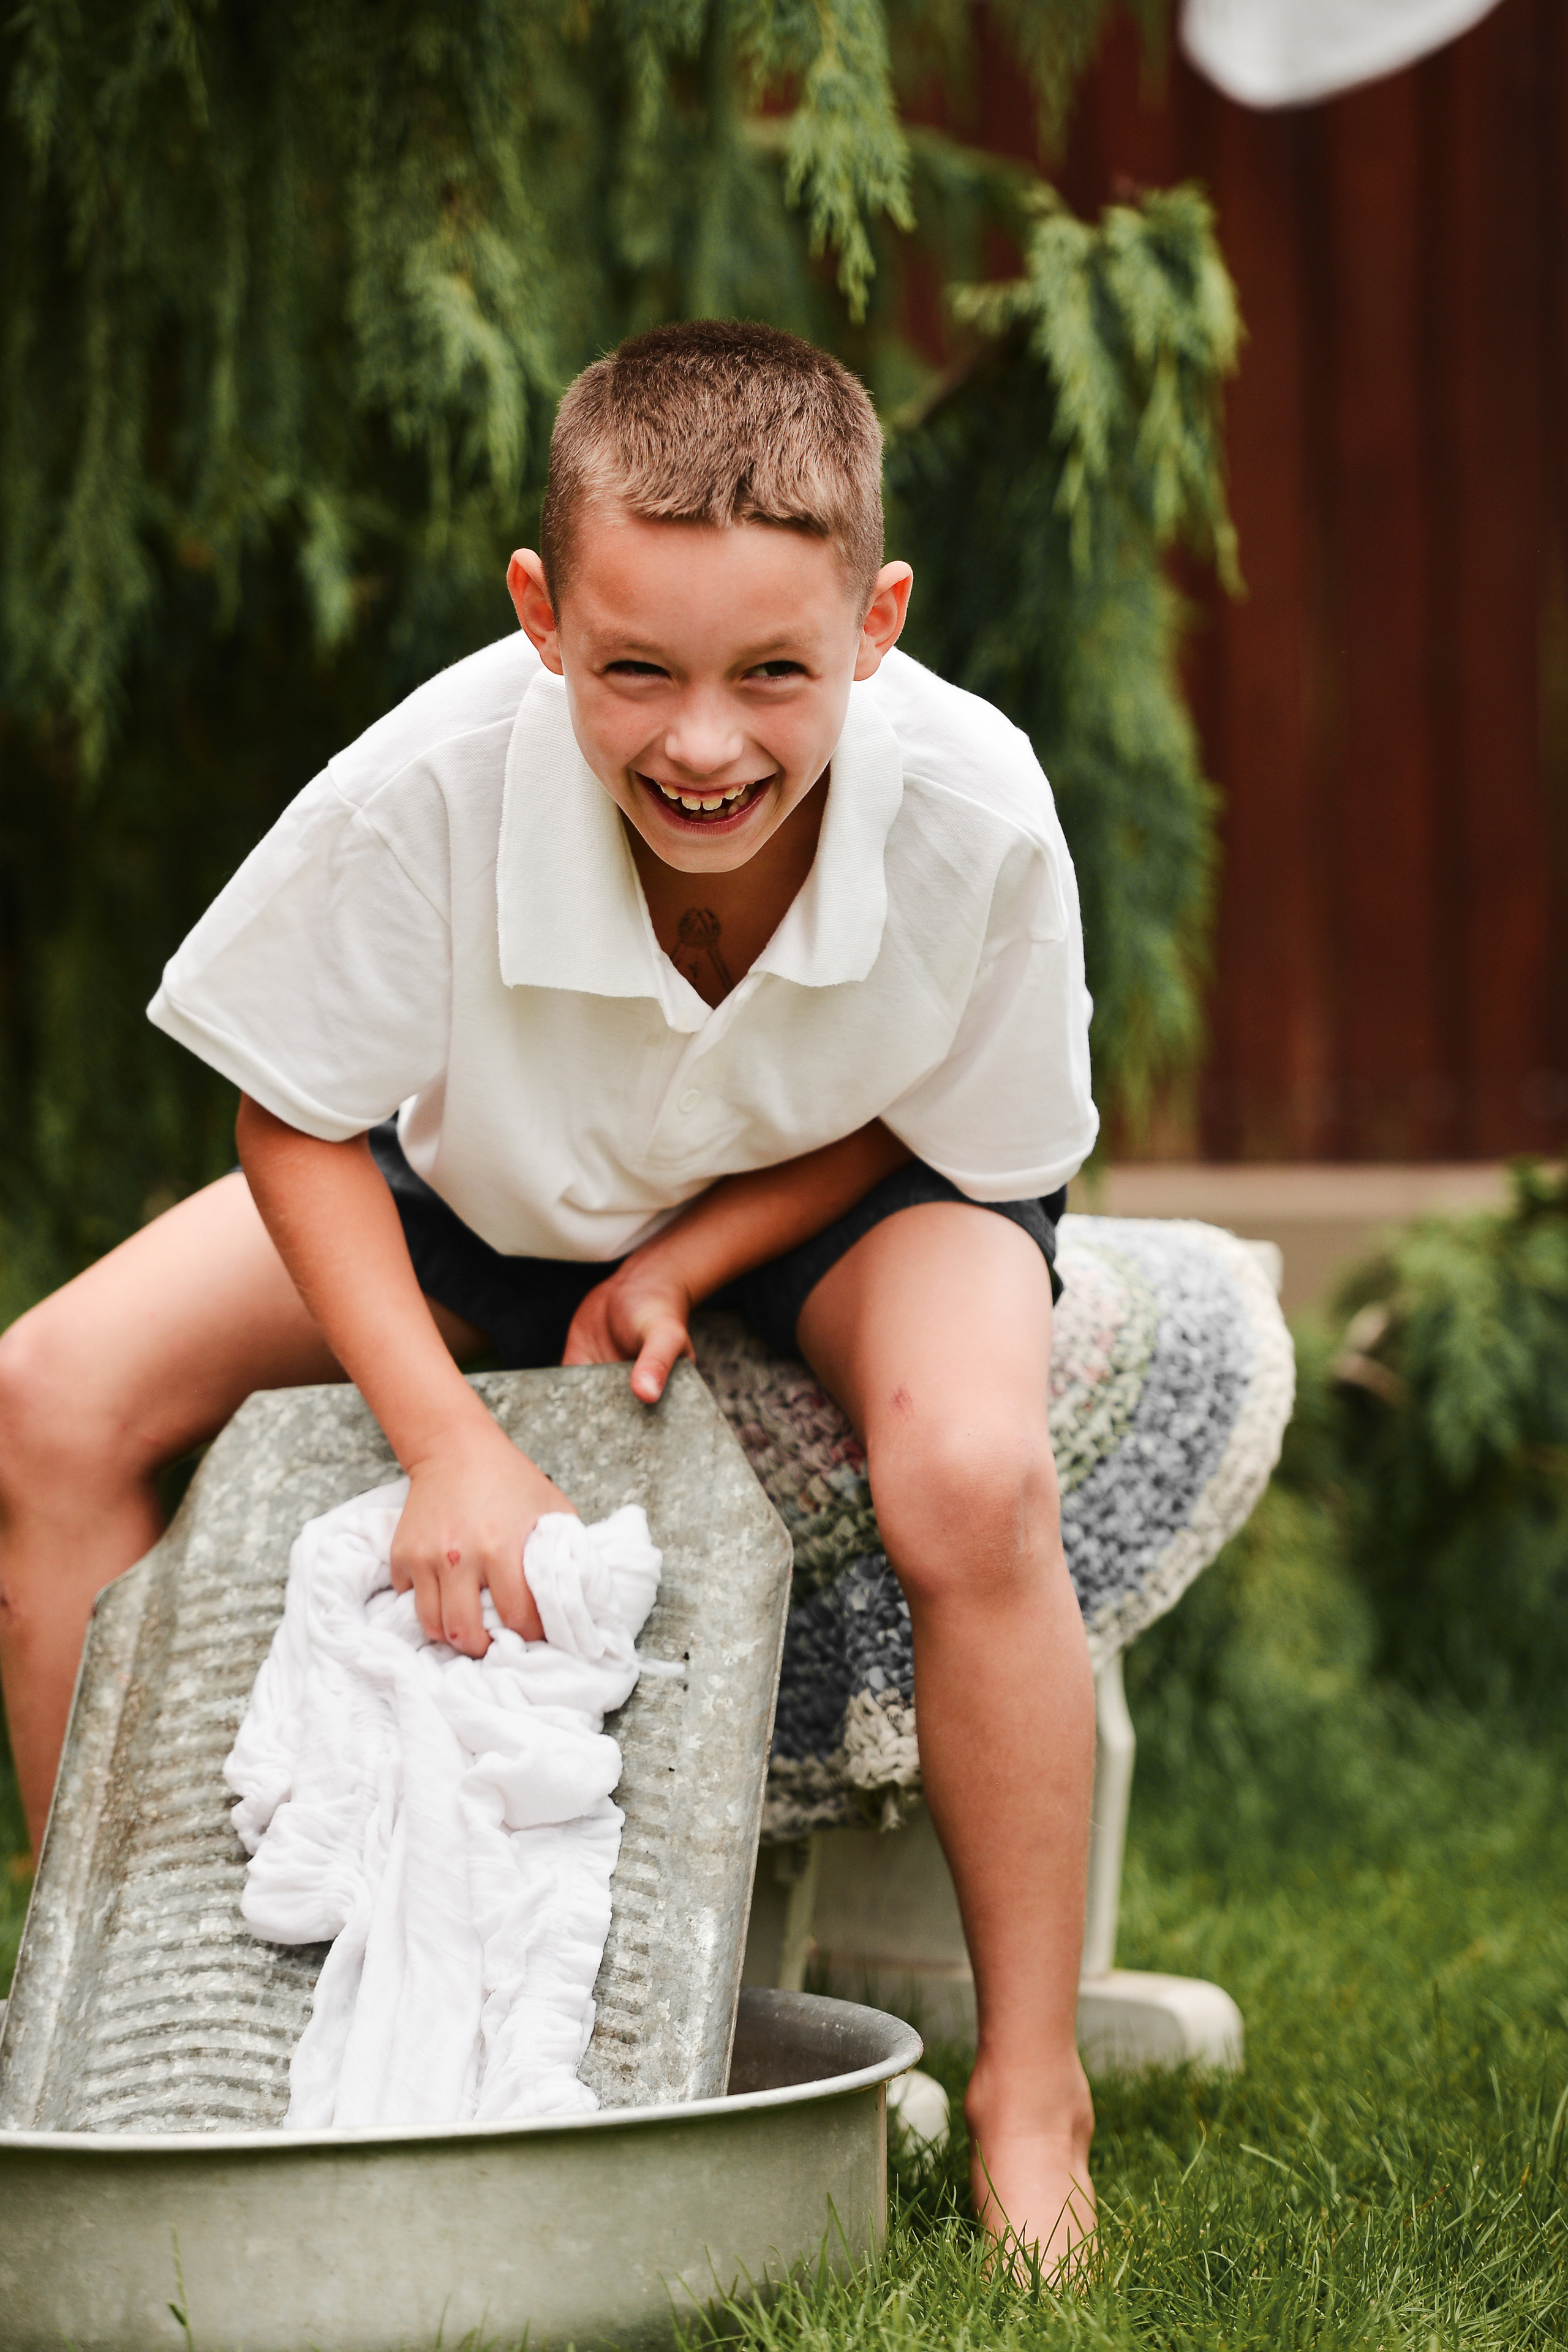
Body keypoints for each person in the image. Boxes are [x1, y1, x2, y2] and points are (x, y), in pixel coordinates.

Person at [0, 322, 1099, 2267]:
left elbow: (952, 1118)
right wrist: (451, 1441)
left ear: (877, 620)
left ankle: (1031, 2085)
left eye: (775, 667)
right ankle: (130, 2035)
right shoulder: (425, 787)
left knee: (975, 1472)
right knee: (43, 1401)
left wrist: (700, 1251)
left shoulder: (979, 819)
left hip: (847, 1178)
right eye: (637, 670)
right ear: (539, 614)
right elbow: (298, 1125)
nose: (704, 742)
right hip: (491, 1180)